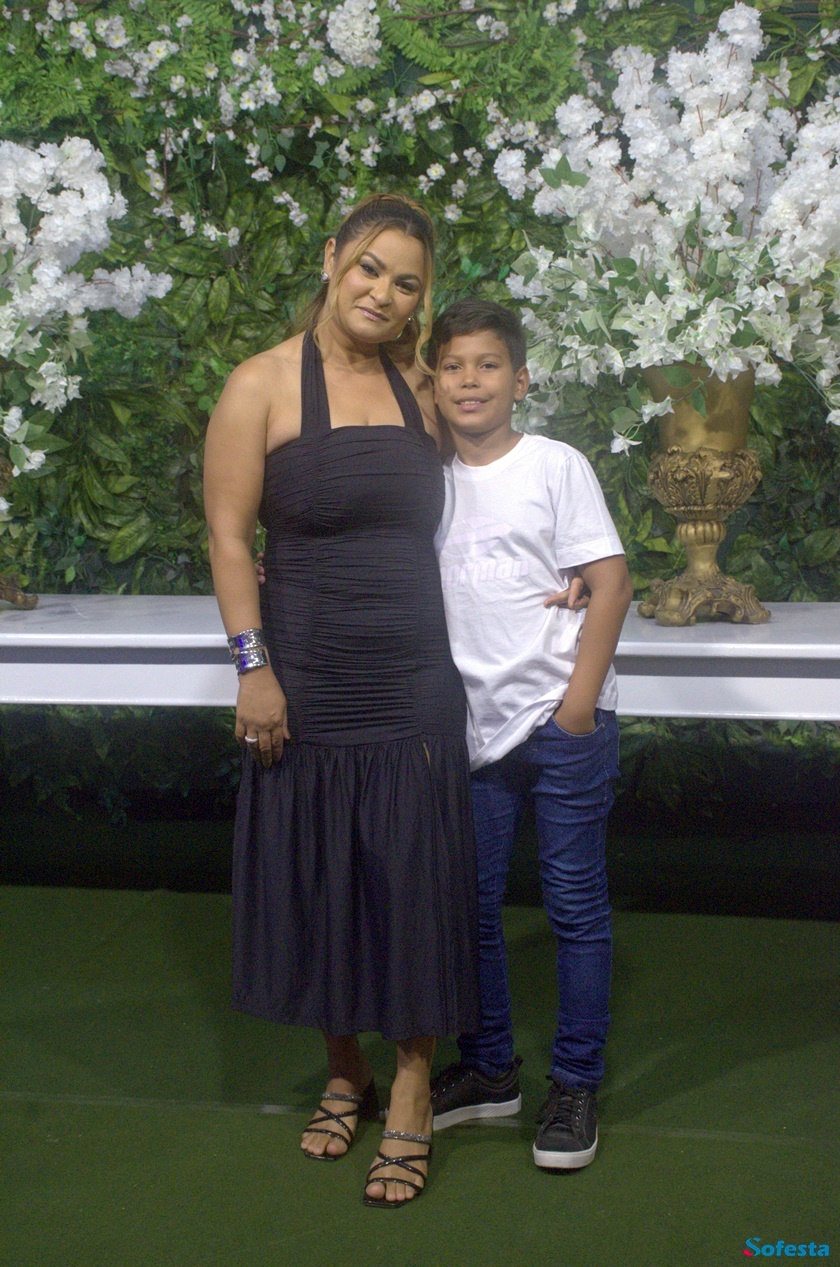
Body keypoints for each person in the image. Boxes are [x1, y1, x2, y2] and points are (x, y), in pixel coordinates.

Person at [203, 194, 481, 1209]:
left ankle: (410, 1089)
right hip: (307, 673)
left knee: (412, 876)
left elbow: (492, 487)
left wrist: (571, 569)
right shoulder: (261, 383)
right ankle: (344, 1067)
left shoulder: (423, 389)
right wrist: (253, 666)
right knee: (320, 869)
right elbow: (228, 536)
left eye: (407, 283)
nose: (384, 293)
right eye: (369, 267)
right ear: (331, 259)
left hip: (414, 673)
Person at [426, 298, 633, 1170]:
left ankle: (575, 1081)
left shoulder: (554, 464)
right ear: (433, 381)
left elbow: (610, 581)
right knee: (470, 907)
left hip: (560, 722)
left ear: (519, 380)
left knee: (573, 905)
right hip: (474, 731)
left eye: (487, 365)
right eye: (452, 366)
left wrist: (576, 706)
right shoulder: (425, 481)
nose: (469, 380)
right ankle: (490, 1067)